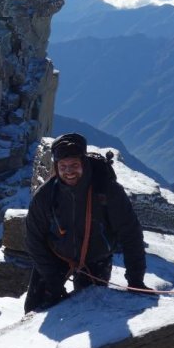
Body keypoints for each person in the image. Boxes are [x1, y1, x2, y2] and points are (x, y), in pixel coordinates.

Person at [24, 133, 148, 312]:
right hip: (56, 257)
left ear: (84, 163)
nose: (69, 171)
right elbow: (34, 239)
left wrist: (135, 279)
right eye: (63, 166)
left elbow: (130, 233)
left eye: (74, 165)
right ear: (56, 167)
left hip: (95, 259)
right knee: (35, 310)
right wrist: (53, 282)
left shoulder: (107, 191)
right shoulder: (45, 196)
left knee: (90, 312)